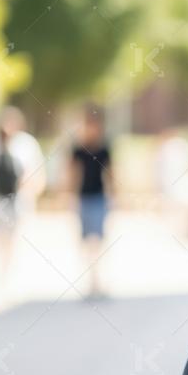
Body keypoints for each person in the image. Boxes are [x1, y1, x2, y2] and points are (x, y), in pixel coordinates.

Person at [0, 106, 45, 286]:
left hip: (19, 198)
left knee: (14, 234)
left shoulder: (27, 144)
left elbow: (36, 173)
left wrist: (32, 192)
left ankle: (8, 267)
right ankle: (0, 266)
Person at [70, 106, 113, 299]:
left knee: (97, 240)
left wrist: (114, 196)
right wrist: (70, 196)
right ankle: (91, 280)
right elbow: (73, 173)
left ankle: (97, 280)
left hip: (99, 198)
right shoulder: (78, 149)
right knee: (86, 241)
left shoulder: (104, 149)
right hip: (83, 198)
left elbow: (111, 173)